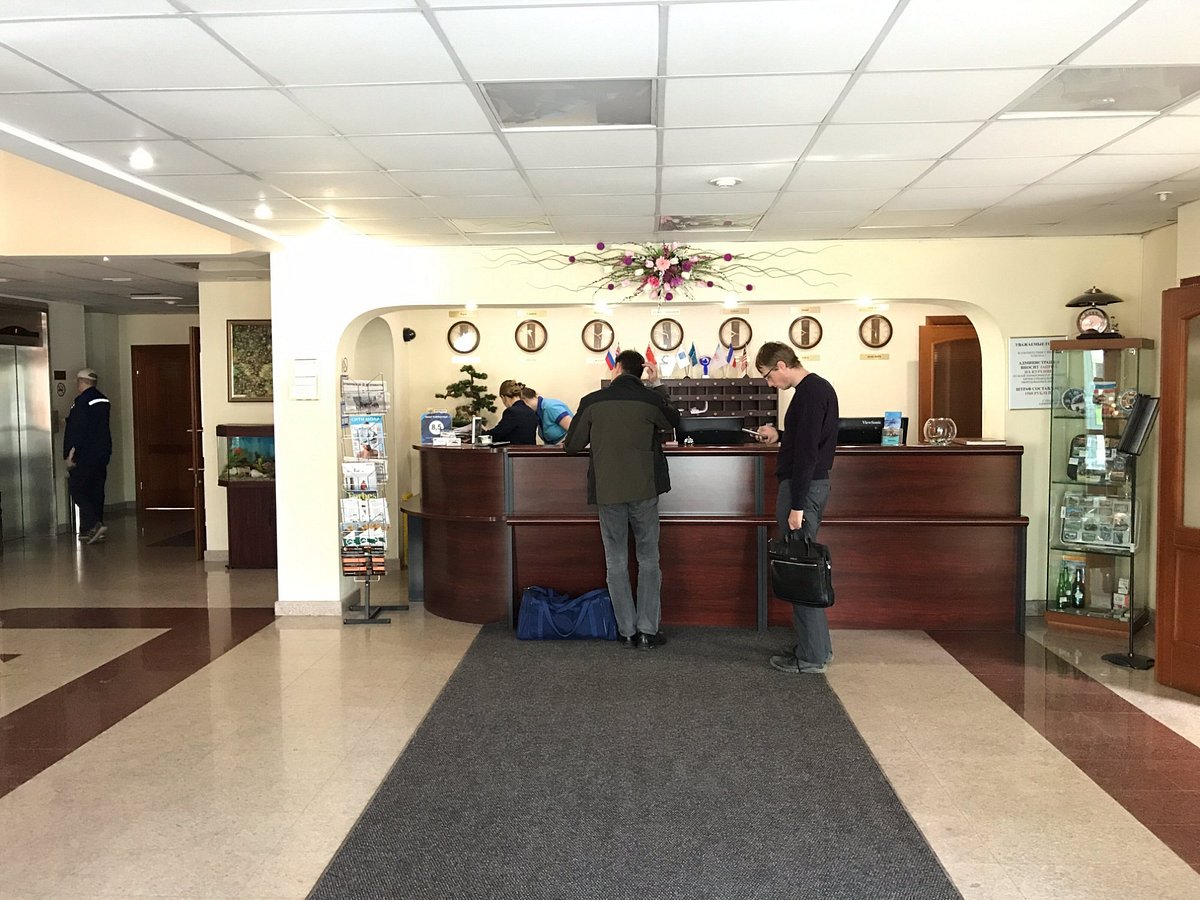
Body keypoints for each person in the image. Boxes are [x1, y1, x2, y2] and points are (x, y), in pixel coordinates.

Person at [564, 350, 681, 649]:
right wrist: (658, 385)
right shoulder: (650, 399)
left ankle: (626, 630)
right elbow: (674, 422)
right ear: (642, 372)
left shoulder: (592, 401)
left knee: (615, 559)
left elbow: (572, 445)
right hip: (644, 489)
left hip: (608, 491)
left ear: (616, 368)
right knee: (649, 558)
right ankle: (647, 631)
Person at [753, 342, 839, 675]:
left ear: (781, 365)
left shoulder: (810, 394)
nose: (770, 383)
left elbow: (807, 454)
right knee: (805, 567)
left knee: (802, 572)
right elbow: (804, 440)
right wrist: (779, 435)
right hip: (807, 486)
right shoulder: (814, 390)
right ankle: (817, 649)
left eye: (768, 376)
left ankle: (812, 657)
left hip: (802, 489)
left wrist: (797, 506)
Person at [63, 367, 113, 545]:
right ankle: (92, 528)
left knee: (77, 489)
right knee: (96, 490)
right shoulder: (103, 400)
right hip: (102, 452)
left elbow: (78, 429)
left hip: (85, 454)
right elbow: (93, 424)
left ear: (81, 382)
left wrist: (71, 453)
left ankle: (94, 524)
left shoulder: (82, 402)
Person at [483, 380, 539, 445]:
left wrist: (482, 434)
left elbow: (497, 434)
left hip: (514, 450)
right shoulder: (531, 411)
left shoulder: (511, 412)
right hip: (530, 450)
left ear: (503, 397)